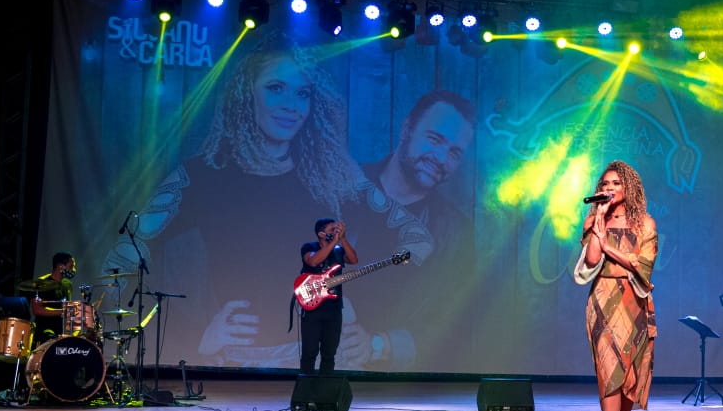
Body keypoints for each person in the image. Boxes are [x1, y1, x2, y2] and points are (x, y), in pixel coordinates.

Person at [101, 30, 373, 369]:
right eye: (276, 88)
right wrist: (197, 337)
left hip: (329, 354)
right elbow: (117, 266)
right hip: (247, 361)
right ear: (247, 95)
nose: (292, 105)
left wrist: (372, 334)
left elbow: (409, 244)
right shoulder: (201, 177)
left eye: (302, 93)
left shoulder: (332, 174)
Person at [350, 89, 476, 371]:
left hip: (399, 393)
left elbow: (455, 327)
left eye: (454, 153)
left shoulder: (456, 233)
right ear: (407, 128)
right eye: (434, 139)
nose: (441, 158)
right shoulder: (342, 188)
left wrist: (377, 345)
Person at [573, 160, 658, 411]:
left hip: (635, 302)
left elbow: (642, 266)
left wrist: (611, 246)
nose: (608, 188)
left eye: (615, 184)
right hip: (603, 301)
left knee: (628, 381)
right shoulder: (595, 219)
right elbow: (593, 258)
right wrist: (598, 218)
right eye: (604, 184)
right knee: (608, 374)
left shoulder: (645, 224)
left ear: (629, 188)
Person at [297, 218, 359, 374]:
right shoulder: (309, 247)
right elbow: (313, 261)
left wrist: (343, 239)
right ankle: (306, 391)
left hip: (334, 308)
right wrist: (333, 242)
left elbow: (353, 260)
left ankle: (324, 391)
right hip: (313, 308)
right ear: (321, 233)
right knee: (309, 352)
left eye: (337, 230)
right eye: (332, 230)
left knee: (329, 353)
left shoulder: (338, 250)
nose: (336, 233)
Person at [28, 252, 77, 344]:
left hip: (60, 333)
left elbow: (66, 306)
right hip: (44, 332)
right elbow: (37, 310)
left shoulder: (67, 285)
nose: (73, 270)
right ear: (60, 266)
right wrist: (62, 312)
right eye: (71, 266)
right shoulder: (42, 283)